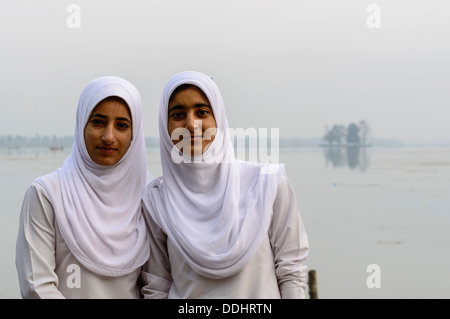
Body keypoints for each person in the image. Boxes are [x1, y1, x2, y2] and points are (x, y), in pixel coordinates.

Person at [140, 71, 309, 299]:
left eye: (202, 112)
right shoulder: (156, 201)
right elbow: (157, 286)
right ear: (165, 124)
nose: (191, 124)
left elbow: (291, 272)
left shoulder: (267, 183)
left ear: (218, 117)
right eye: (178, 114)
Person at [15, 76, 154, 298]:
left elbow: (156, 284)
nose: (109, 137)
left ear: (134, 135)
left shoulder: (149, 196)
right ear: (81, 125)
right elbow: (37, 287)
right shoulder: (47, 194)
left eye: (121, 125)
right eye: (98, 122)